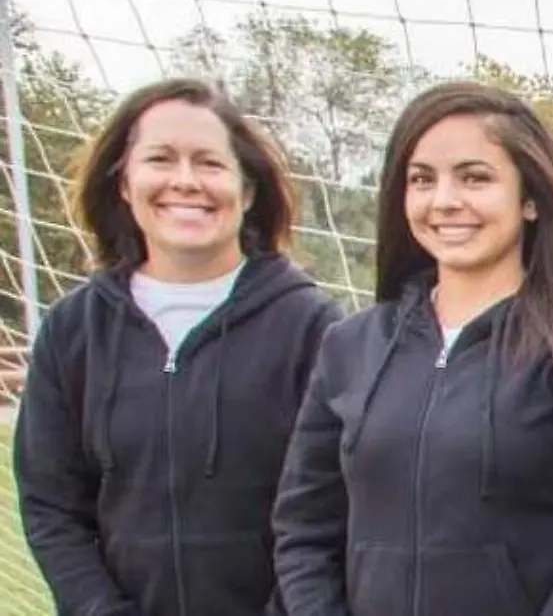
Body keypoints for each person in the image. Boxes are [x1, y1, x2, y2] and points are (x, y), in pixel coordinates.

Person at [13, 77, 344, 616]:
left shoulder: (313, 328)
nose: (185, 181)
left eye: (210, 163)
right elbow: (51, 507)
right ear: (124, 182)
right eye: (161, 159)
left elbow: (333, 511)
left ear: (247, 190)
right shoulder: (73, 330)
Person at [271, 80, 553, 616]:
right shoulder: (351, 347)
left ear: (530, 199)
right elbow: (304, 529)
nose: (445, 201)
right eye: (422, 179)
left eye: (475, 177)